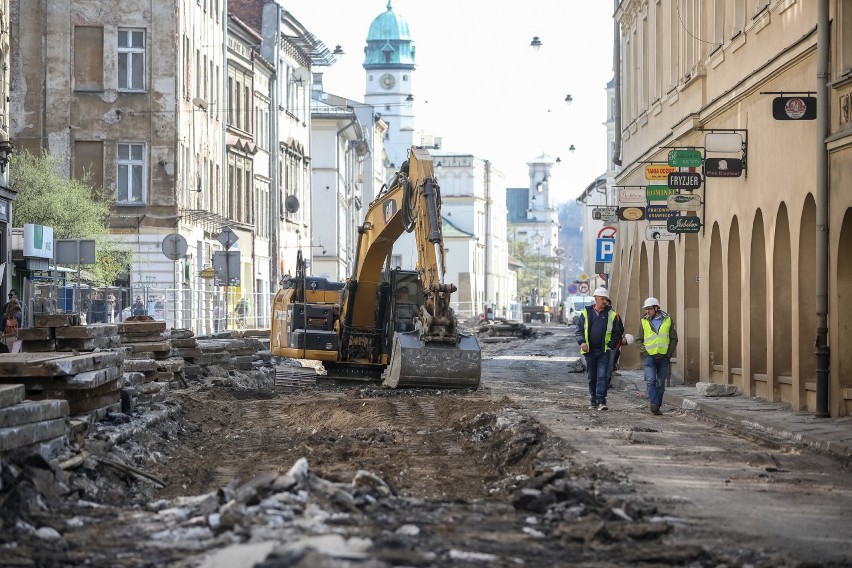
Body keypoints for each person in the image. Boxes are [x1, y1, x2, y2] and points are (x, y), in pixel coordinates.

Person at [575, 287, 624, 411]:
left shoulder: (612, 315)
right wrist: (582, 342)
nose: (604, 301)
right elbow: (579, 330)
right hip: (589, 351)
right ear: (595, 299)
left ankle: (601, 401)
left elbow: (617, 333)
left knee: (602, 376)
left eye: (606, 299)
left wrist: (611, 346)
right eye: (602, 299)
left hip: (604, 351)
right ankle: (593, 400)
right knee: (592, 376)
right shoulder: (586, 313)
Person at [635, 297, 679, 416]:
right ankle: (654, 403)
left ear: (656, 308)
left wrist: (669, 354)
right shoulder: (644, 321)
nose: (647, 311)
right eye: (646, 309)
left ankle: (656, 406)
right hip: (649, 357)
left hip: (664, 357)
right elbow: (638, 339)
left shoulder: (668, 320)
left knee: (660, 383)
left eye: (649, 309)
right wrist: (645, 352)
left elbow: (674, 338)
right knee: (651, 381)